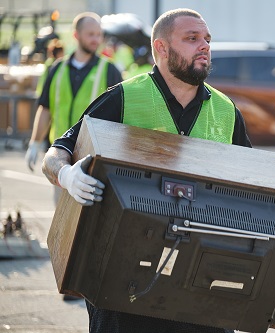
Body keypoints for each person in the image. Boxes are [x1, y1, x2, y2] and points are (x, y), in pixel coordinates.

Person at [41, 8, 250, 333]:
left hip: (200, 278)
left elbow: (252, 182)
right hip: (122, 278)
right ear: (161, 48)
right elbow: (56, 154)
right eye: (192, 38)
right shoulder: (124, 98)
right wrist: (67, 175)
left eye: (207, 39)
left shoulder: (226, 111)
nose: (205, 46)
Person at [25, 12, 122, 177]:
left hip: (93, 156)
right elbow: (45, 109)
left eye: (99, 34)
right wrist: (35, 142)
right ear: (76, 35)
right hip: (60, 154)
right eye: (90, 34)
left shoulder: (109, 70)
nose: (96, 40)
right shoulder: (56, 69)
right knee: (59, 203)